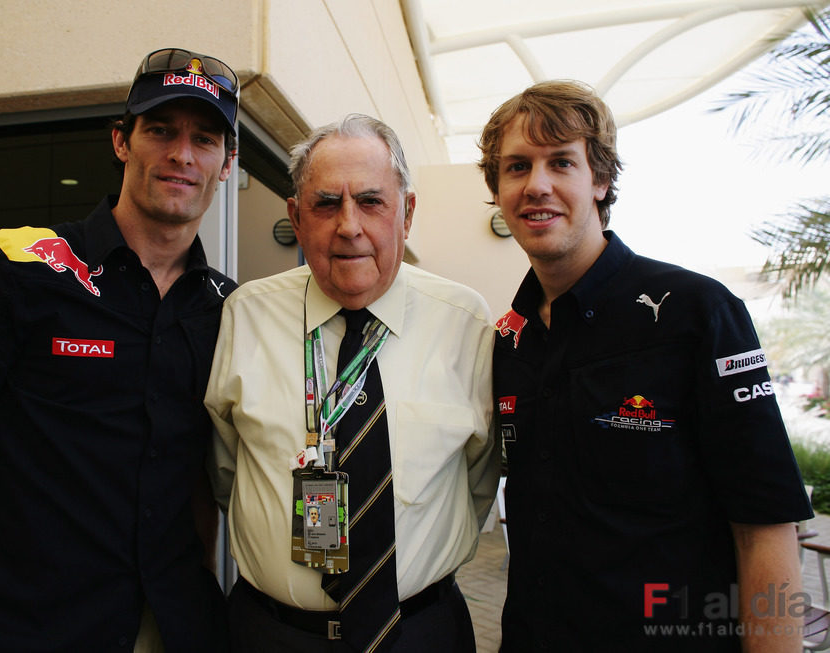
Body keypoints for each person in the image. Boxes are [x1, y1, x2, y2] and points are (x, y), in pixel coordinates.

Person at [0, 47, 240, 652]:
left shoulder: (226, 309)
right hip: (23, 630)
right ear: (121, 141)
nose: (182, 154)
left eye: (205, 139)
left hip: (173, 627)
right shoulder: (18, 265)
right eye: (160, 130)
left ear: (227, 163)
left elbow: (198, 490)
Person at [478, 80, 813, 652]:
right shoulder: (510, 340)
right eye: (516, 167)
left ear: (601, 181)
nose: (537, 185)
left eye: (561, 162)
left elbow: (766, 526)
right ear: (498, 188)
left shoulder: (696, 313)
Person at [205, 114, 499, 652]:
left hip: (420, 633)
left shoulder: (465, 323)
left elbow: (476, 478)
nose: (348, 226)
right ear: (296, 217)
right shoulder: (245, 315)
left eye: (370, 201)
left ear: (406, 212)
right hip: (272, 635)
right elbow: (226, 470)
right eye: (325, 204)